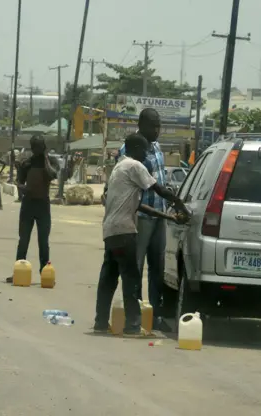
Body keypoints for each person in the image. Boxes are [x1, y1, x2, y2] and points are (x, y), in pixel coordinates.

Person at [94, 133, 189, 337]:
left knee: (108, 279)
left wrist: (169, 217)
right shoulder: (134, 166)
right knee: (131, 279)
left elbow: (140, 206)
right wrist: (181, 206)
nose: (146, 155)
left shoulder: (119, 168)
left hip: (110, 230)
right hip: (125, 230)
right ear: (136, 148)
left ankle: (100, 323)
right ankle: (133, 326)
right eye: (144, 151)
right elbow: (159, 190)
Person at [116, 108, 170, 331]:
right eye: (153, 126)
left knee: (157, 267)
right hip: (141, 215)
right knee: (135, 267)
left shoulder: (157, 148)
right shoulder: (128, 150)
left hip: (160, 215)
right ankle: (135, 315)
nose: (157, 131)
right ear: (142, 125)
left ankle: (155, 315)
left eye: (159, 126)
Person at [6, 135, 57, 283]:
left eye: (41, 147)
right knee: (24, 239)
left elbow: (52, 175)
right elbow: (19, 182)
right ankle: (18, 271)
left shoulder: (50, 162)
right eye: (36, 147)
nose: (38, 150)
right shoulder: (27, 163)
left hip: (43, 204)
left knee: (43, 241)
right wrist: (24, 188)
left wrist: (46, 158)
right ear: (32, 148)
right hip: (28, 203)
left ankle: (45, 273)